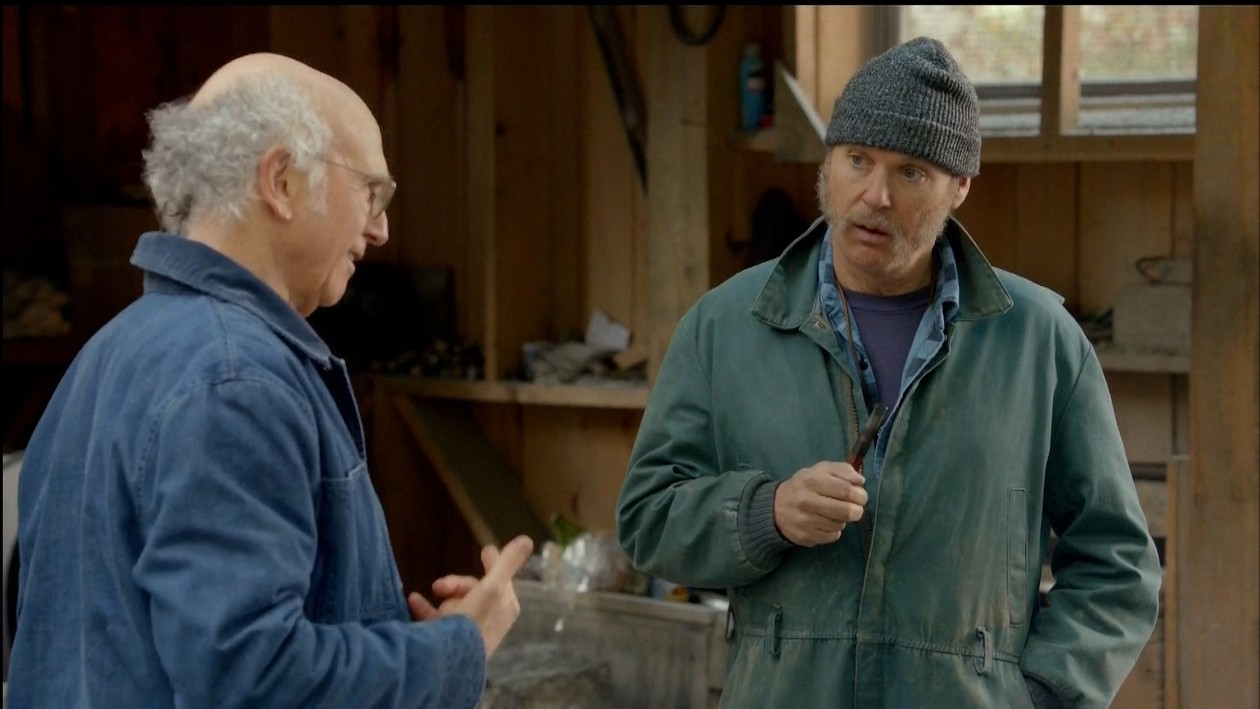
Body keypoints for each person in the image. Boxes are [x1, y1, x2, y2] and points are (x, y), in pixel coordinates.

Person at [616, 36, 1160, 708]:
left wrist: (1043, 695)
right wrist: (767, 512)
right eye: (858, 159)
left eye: (911, 172)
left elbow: (1117, 564)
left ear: (959, 187)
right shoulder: (726, 326)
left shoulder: (1039, 341)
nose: (874, 195)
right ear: (829, 162)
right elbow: (647, 519)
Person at [9, 52, 533, 707]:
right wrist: (456, 650)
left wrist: (395, 648)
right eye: (371, 192)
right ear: (281, 180)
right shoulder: (236, 380)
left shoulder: (102, 357)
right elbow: (254, 684)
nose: (380, 228)